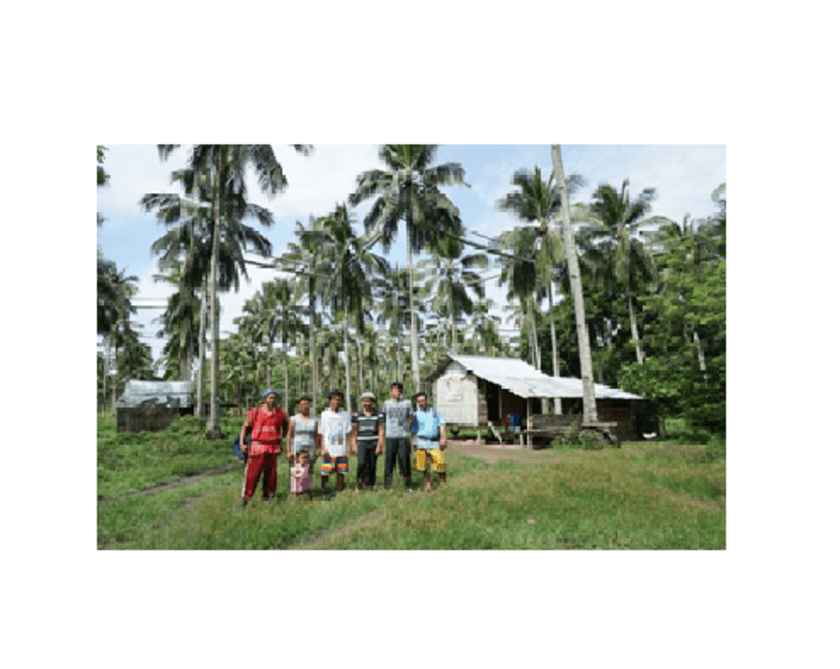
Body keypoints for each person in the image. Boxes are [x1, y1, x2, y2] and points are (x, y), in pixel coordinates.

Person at [240, 388, 287, 505]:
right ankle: (246, 498)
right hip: (258, 446)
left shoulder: (280, 413)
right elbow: (245, 428)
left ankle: (267, 498)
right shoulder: (255, 412)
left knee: (271, 475)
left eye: (274, 398)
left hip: (272, 447)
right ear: (265, 399)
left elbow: (283, 429)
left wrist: (281, 443)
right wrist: (242, 443)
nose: (273, 400)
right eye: (270, 397)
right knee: (253, 475)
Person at [318, 390, 353, 495]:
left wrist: (348, 447)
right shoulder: (324, 415)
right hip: (329, 448)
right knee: (325, 472)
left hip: (341, 448)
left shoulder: (345, 415)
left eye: (339, 400)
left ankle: (340, 491)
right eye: (335, 399)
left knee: (341, 472)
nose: (337, 402)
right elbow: (321, 432)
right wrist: (322, 448)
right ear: (330, 400)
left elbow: (347, 433)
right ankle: (324, 491)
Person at [411, 391, 447, 491]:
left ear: (427, 400)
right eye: (419, 401)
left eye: (423, 400)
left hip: (434, 441)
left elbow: (442, 425)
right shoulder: (415, 414)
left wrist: (443, 438)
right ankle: (428, 482)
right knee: (423, 465)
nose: (422, 402)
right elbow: (413, 430)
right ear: (417, 402)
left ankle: (442, 482)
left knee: (439, 463)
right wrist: (412, 444)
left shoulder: (436, 411)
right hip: (421, 441)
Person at [286, 394, 320, 499]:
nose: (305, 406)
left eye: (307, 404)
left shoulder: (314, 419)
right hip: (297, 448)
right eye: (303, 404)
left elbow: (317, 435)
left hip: (310, 448)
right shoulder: (293, 419)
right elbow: (289, 435)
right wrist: (288, 450)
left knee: (309, 470)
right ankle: (296, 492)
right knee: (297, 471)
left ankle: (307, 491)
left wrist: (318, 448)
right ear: (298, 406)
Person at [382, 381, 413, 491]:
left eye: (399, 389)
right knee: (389, 461)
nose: (397, 391)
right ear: (391, 392)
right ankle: (387, 485)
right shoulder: (386, 403)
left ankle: (407, 484)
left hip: (403, 436)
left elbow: (410, 418)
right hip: (390, 436)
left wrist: (409, 434)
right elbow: (383, 419)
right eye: (394, 389)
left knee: (404, 460)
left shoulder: (407, 403)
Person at [352, 392, 384, 492]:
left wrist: (380, 444)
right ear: (362, 402)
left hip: (373, 442)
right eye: (365, 401)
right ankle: (359, 483)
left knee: (372, 464)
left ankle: (370, 484)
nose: (366, 403)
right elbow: (354, 431)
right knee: (361, 463)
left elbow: (381, 430)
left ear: (372, 402)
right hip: (361, 442)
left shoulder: (378, 415)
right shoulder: (357, 415)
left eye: (369, 401)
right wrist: (354, 444)